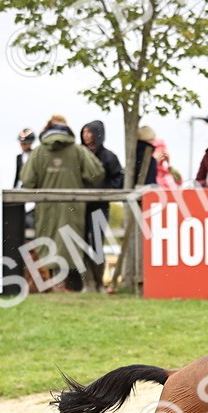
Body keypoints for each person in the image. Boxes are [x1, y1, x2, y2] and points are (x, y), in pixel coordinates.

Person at [21, 115, 105, 292]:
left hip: (45, 209)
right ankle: (67, 285)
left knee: (47, 242)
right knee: (70, 244)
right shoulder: (77, 151)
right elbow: (96, 173)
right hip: (73, 208)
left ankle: (50, 285)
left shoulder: (38, 152)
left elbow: (27, 180)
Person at [80, 120, 124, 291]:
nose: (85, 135)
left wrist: (106, 191)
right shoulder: (79, 154)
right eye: (83, 132)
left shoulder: (108, 157)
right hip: (81, 207)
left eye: (89, 132)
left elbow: (118, 178)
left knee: (97, 243)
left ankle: (99, 281)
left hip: (99, 207)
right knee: (81, 242)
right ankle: (86, 282)